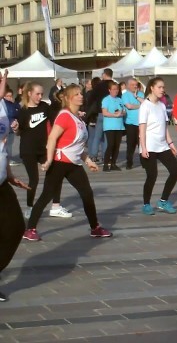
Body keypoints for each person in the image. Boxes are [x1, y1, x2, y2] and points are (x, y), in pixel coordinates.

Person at [22, 84, 112, 242]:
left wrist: (88, 160)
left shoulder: (78, 118)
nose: (81, 96)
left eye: (81, 93)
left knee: (87, 193)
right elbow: (52, 138)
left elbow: (77, 146)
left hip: (74, 164)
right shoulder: (64, 115)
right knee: (47, 195)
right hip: (59, 163)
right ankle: (30, 229)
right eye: (77, 94)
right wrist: (49, 160)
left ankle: (95, 227)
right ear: (70, 98)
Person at [15, 82, 72, 220]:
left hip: (44, 148)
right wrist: (16, 128)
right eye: (37, 94)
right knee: (33, 179)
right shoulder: (23, 110)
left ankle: (56, 206)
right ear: (29, 93)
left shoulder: (44, 107)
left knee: (55, 174)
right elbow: (19, 131)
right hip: (28, 149)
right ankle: (29, 207)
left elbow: (56, 119)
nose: (40, 96)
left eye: (41, 94)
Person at [0, 69, 30, 302]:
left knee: (15, 227)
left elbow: (4, 147)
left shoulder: (3, 108)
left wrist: (9, 173)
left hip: (1, 180)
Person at [139, 78, 177, 215]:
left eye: (163, 87)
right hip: (149, 146)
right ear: (152, 88)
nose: (163, 90)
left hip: (162, 146)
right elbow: (142, 128)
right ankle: (146, 204)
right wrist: (143, 148)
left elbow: (164, 127)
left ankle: (163, 201)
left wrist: (171, 143)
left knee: (175, 170)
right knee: (152, 175)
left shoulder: (162, 105)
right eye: (160, 87)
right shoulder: (145, 105)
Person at [101, 81, 126, 172]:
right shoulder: (106, 100)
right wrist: (114, 115)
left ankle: (113, 164)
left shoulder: (120, 100)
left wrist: (122, 113)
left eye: (117, 89)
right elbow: (104, 112)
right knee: (110, 145)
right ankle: (106, 164)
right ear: (109, 90)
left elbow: (124, 111)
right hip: (110, 126)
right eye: (114, 89)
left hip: (119, 126)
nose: (116, 91)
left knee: (117, 145)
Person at [122, 78, 144, 170]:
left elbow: (146, 104)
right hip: (130, 123)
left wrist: (137, 98)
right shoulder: (125, 95)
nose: (135, 86)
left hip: (141, 122)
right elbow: (129, 106)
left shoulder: (141, 94)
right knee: (131, 144)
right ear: (128, 85)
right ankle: (129, 162)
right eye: (132, 85)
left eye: (136, 84)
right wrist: (139, 105)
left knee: (142, 144)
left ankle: (144, 162)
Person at [3, 88, 21, 166]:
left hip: (11, 127)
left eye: (10, 96)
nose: (9, 97)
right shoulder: (3, 104)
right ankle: (6, 160)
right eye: (7, 96)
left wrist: (15, 103)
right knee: (4, 145)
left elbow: (19, 111)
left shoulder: (13, 104)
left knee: (9, 144)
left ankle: (8, 159)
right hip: (4, 127)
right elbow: (11, 114)